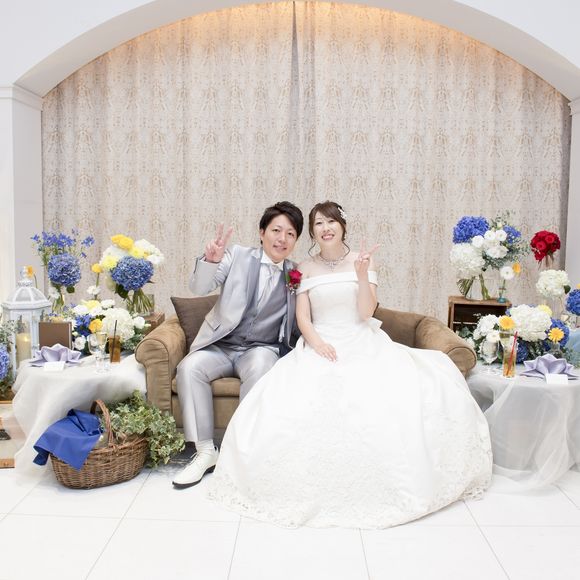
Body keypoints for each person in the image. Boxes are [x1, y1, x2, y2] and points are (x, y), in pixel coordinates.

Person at [206, 201, 492, 528]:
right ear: (311, 232)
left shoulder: (362, 260)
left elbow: (366, 312)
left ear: (342, 226)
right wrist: (317, 343)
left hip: (361, 339)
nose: (325, 228)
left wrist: (361, 275)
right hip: (320, 342)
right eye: (318, 223)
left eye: (331, 221)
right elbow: (303, 317)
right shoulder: (303, 268)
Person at [172, 201, 304, 489]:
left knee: (262, 366)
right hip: (221, 346)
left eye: (290, 234)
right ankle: (205, 451)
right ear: (262, 232)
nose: (282, 239)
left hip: (260, 348)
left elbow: (302, 319)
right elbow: (199, 288)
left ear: (296, 241)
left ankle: (242, 450)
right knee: (189, 368)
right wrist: (210, 262)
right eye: (276, 230)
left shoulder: (297, 274)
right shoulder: (236, 255)